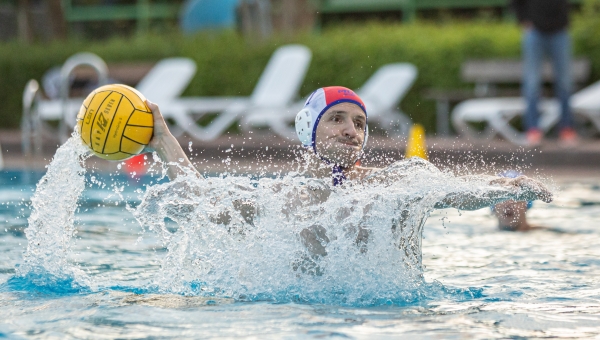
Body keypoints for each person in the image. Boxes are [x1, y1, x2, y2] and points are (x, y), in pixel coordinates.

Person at [144, 86, 553, 208]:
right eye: (336, 119)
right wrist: (163, 138)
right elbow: (201, 202)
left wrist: (504, 186)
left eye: (359, 123)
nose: (350, 131)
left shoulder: (395, 181)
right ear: (309, 130)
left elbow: (453, 193)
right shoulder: (281, 198)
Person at [511, 0, 577, 146]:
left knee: (565, 84)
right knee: (532, 83)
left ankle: (567, 130)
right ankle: (533, 130)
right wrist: (523, 21)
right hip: (535, 31)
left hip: (560, 30)